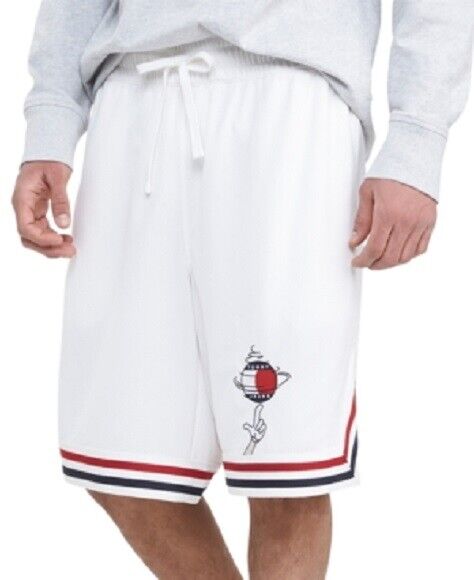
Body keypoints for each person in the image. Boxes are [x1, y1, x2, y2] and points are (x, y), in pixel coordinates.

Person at [11, 2, 473, 578]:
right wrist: (50, 123)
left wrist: (417, 140)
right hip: (130, 98)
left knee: (286, 469)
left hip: (292, 96)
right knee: (117, 460)